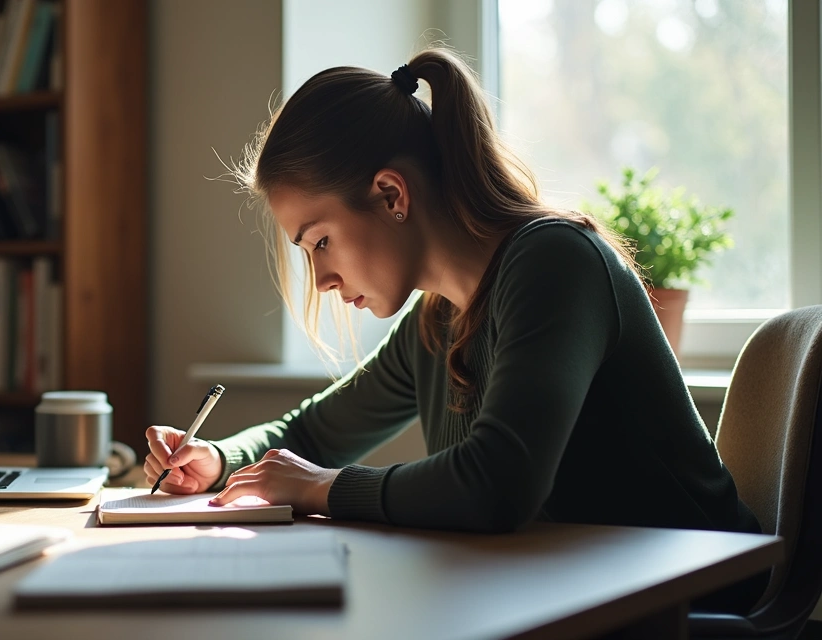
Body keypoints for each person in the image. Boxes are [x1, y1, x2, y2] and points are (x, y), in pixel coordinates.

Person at [142, 47, 766, 614]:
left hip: (688, 608)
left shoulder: (555, 261)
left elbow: (497, 484)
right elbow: (311, 432)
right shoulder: (438, 315)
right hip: (569, 594)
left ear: (391, 194)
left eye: (321, 241)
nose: (322, 280)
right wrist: (220, 458)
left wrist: (322, 488)